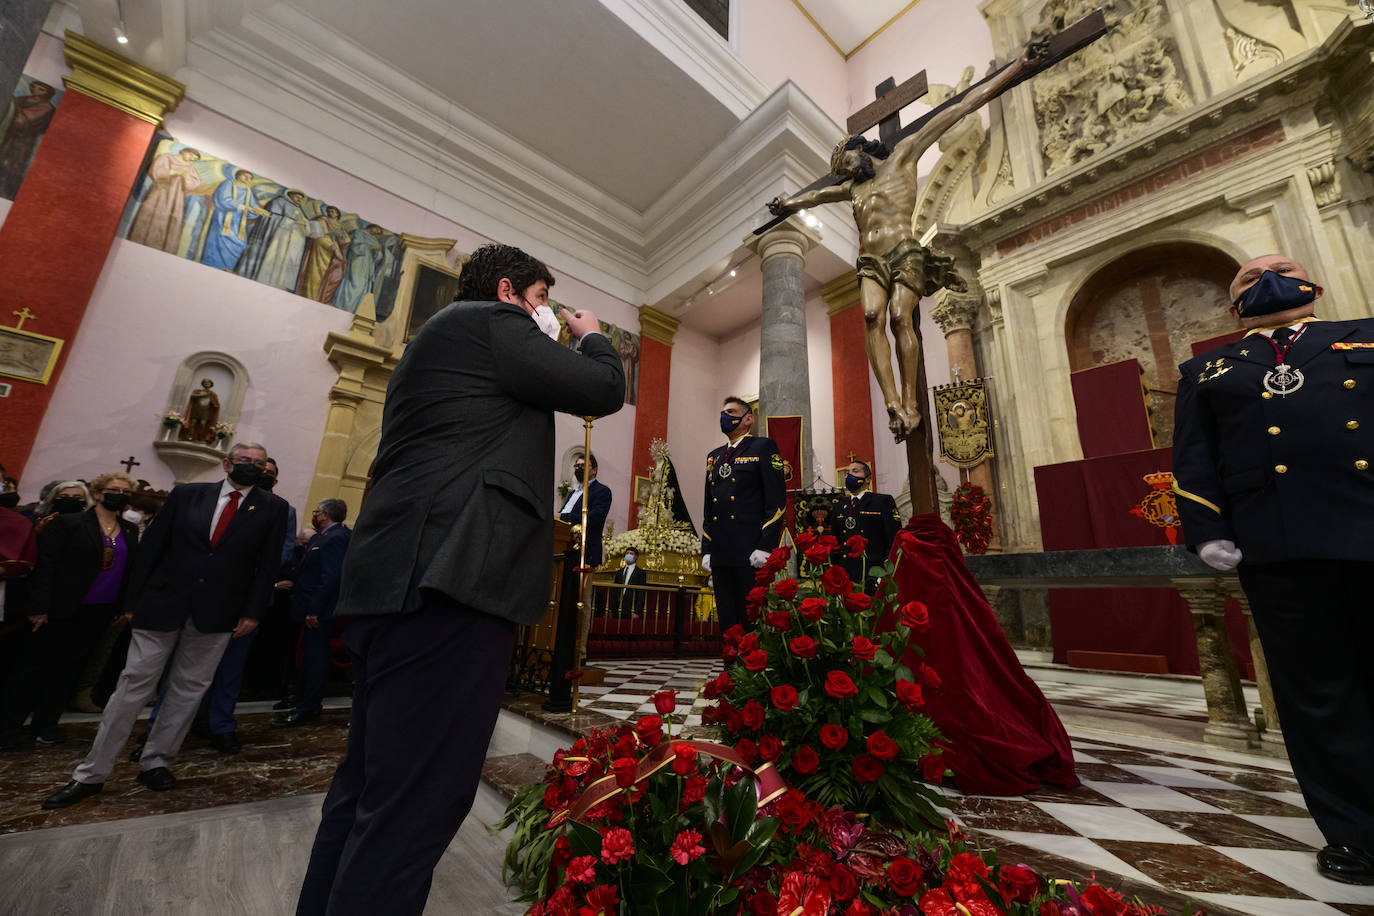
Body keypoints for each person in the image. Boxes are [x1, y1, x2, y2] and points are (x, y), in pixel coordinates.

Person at [295, 242, 623, 915]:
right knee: (416, 806)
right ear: (509, 292)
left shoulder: (441, 344)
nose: (549, 317)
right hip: (449, 586)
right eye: (542, 301)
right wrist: (593, 338)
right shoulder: (488, 324)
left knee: (370, 790)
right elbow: (602, 390)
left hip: (401, 584)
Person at [1173, 253, 1374, 886]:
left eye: (1280, 269)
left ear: (1312, 284)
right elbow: (1195, 457)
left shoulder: (1364, 336)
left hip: (1368, 527)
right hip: (1279, 545)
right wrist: (1208, 531)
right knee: (1315, 693)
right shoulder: (1209, 369)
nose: (1267, 281)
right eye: (1249, 279)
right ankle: (1356, 833)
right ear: (1233, 307)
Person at [767, 42, 1047, 442]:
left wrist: (1018, 67)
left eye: (846, 163)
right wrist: (787, 203)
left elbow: (960, 109)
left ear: (859, 149)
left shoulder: (903, 156)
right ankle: (892, 402)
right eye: (842, 171)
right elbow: (813, 197)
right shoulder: (852, 189)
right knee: (870, 318)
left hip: (904, 251)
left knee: (900, 317)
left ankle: (911, 400)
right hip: (871, 260)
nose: (846, 173)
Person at [40, 442, 288, 809]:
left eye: (258, 463)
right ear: (226, 463)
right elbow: (153, 547)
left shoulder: (273, 507)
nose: (251, 467)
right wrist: (132, 602)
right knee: (133, 684)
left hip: (218, 612)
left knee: (189, 689)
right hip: (162, 603)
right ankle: (91, 773)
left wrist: (252, 612)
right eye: (244, 461)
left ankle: (156, 761)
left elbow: (266, 564)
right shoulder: (189, 495)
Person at [0, 473, 139, 748]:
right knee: (34, 667)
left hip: (98, 610)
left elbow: (128, 571)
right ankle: (8, 728)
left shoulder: (129, 530)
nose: (119, 494)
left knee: (68, 669)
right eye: (113, 489)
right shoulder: (69, 522)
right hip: (57, 607)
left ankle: (46, 724)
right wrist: (39, 607)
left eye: (125, 491)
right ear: (98, 493)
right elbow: (46, 567)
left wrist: (124, 607)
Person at [701, 396, 787, 634]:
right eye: (723, 412)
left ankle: (751, 670)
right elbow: (709, 508)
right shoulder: (714, 456)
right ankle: (730, 670)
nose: (724, 416)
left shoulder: (763, 447)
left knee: (749, 620)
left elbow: (776, 502)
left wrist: (765, 546)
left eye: (731, 411)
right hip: (720, 551)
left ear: (748, 418)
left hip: (749, 551)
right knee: (727, 623)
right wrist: (706, 549)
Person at [273, 498, 350, 728]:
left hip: (321, 612)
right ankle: (300, 697)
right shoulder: (322, 537)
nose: (315, 515)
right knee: (307, 657)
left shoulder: (337, 538)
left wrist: (315, 609)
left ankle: (309, 706)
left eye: (317, 512)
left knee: (316, 659)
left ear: (325, 515)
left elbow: (329, 578)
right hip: (308, 607)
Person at [559, 452, 611, 663]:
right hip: (565, 550)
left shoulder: (601, 491)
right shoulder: (573, 493)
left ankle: (579, 653)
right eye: (577, 466)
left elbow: (595, 518)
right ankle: (561, 647)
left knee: (582, 603)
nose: (579, 468)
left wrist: (562, 517)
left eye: (584, 465)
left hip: (585, 552)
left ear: (595, 469)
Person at [829, 460, 902, 594]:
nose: (849, 475)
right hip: (847, 575)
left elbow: (893, 540)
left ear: (868, 479)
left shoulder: (882, 502)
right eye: (847, 473)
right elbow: (835, 542)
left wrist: (886, 574)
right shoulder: (838, 507)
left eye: (855, 471)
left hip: (873, 573)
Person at [609, 545, 647, 619]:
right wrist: (611, 609)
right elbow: (614, 591)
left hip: (631, 608)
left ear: (636, 557)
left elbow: (641, 593)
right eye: (627, 553)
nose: (628, 555)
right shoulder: (619, 572)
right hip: (617, 608)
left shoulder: (640, 573)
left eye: (631, 553)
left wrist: (637, 611)